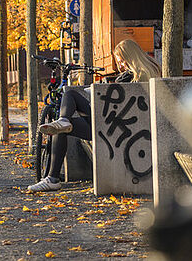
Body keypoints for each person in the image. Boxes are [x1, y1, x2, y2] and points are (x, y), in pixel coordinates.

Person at [29, 42, 162, 193]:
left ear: (130, 57)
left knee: (70, 95)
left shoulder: (135, 76)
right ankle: (62, 125)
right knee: (59, 129)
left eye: (120, 60)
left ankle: (53, 178)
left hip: (114, 128)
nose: (119, 64)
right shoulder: (148, 71)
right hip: (115, 124)